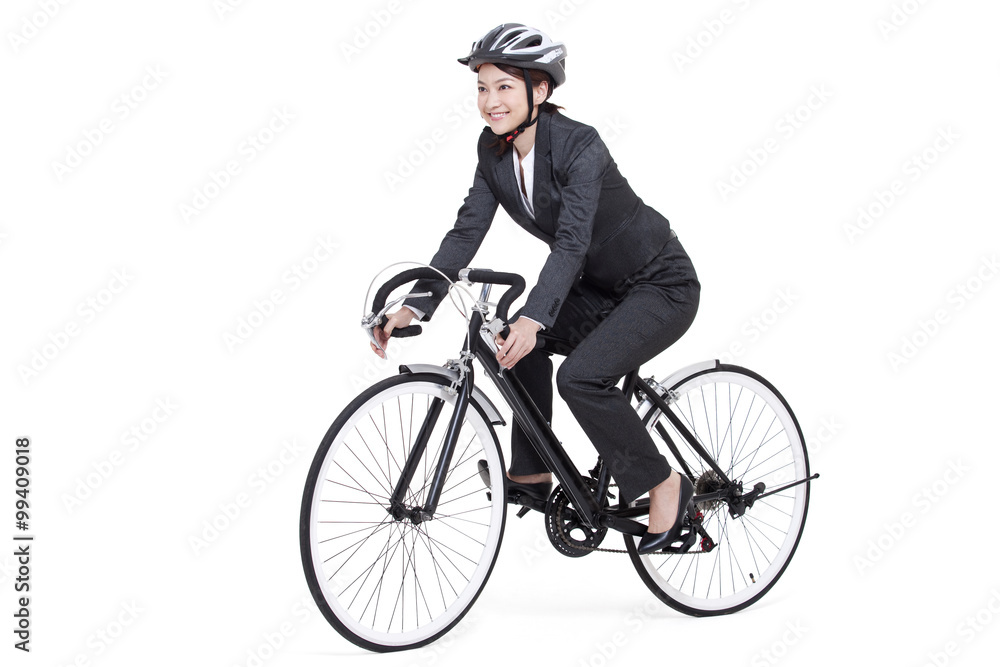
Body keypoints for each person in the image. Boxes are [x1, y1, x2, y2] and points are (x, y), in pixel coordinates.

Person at [370, 23, 701, 554]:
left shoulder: (579, 144)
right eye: (482, 87)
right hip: (595, 289)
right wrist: (415, 304)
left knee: (580, 377)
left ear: (539, 91)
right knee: (512, 347)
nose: (490, 100)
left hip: (660, 284)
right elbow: (466, 231)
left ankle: (664, 483)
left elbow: (570, 242)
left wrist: (537, 316)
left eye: (504, 86)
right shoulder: (492, 151)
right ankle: (531, 474)